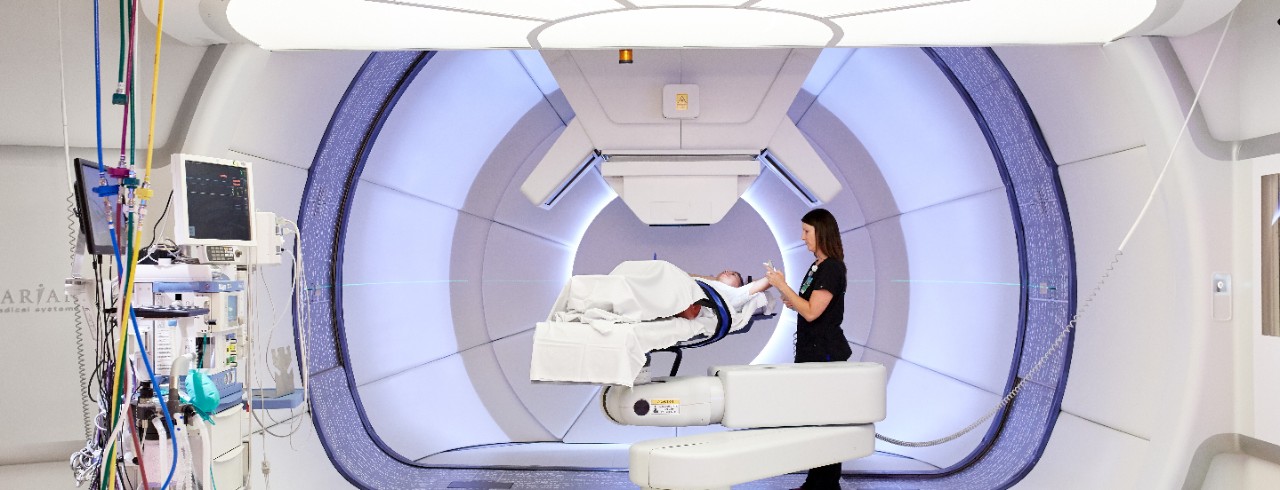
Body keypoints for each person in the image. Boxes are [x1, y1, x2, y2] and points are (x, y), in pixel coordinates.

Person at [764, 208, 851, 490]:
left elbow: (813, 312)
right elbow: (808, 305)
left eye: (806, 232)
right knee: (815, 422)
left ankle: (826, 485)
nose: (802, 238)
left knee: (825, 422)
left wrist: (783, 285)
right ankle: (816, 482)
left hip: (825, 355)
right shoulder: (817, 267)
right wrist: (790, 298)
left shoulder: (832, 268)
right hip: (811, 353)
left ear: (822, 232)